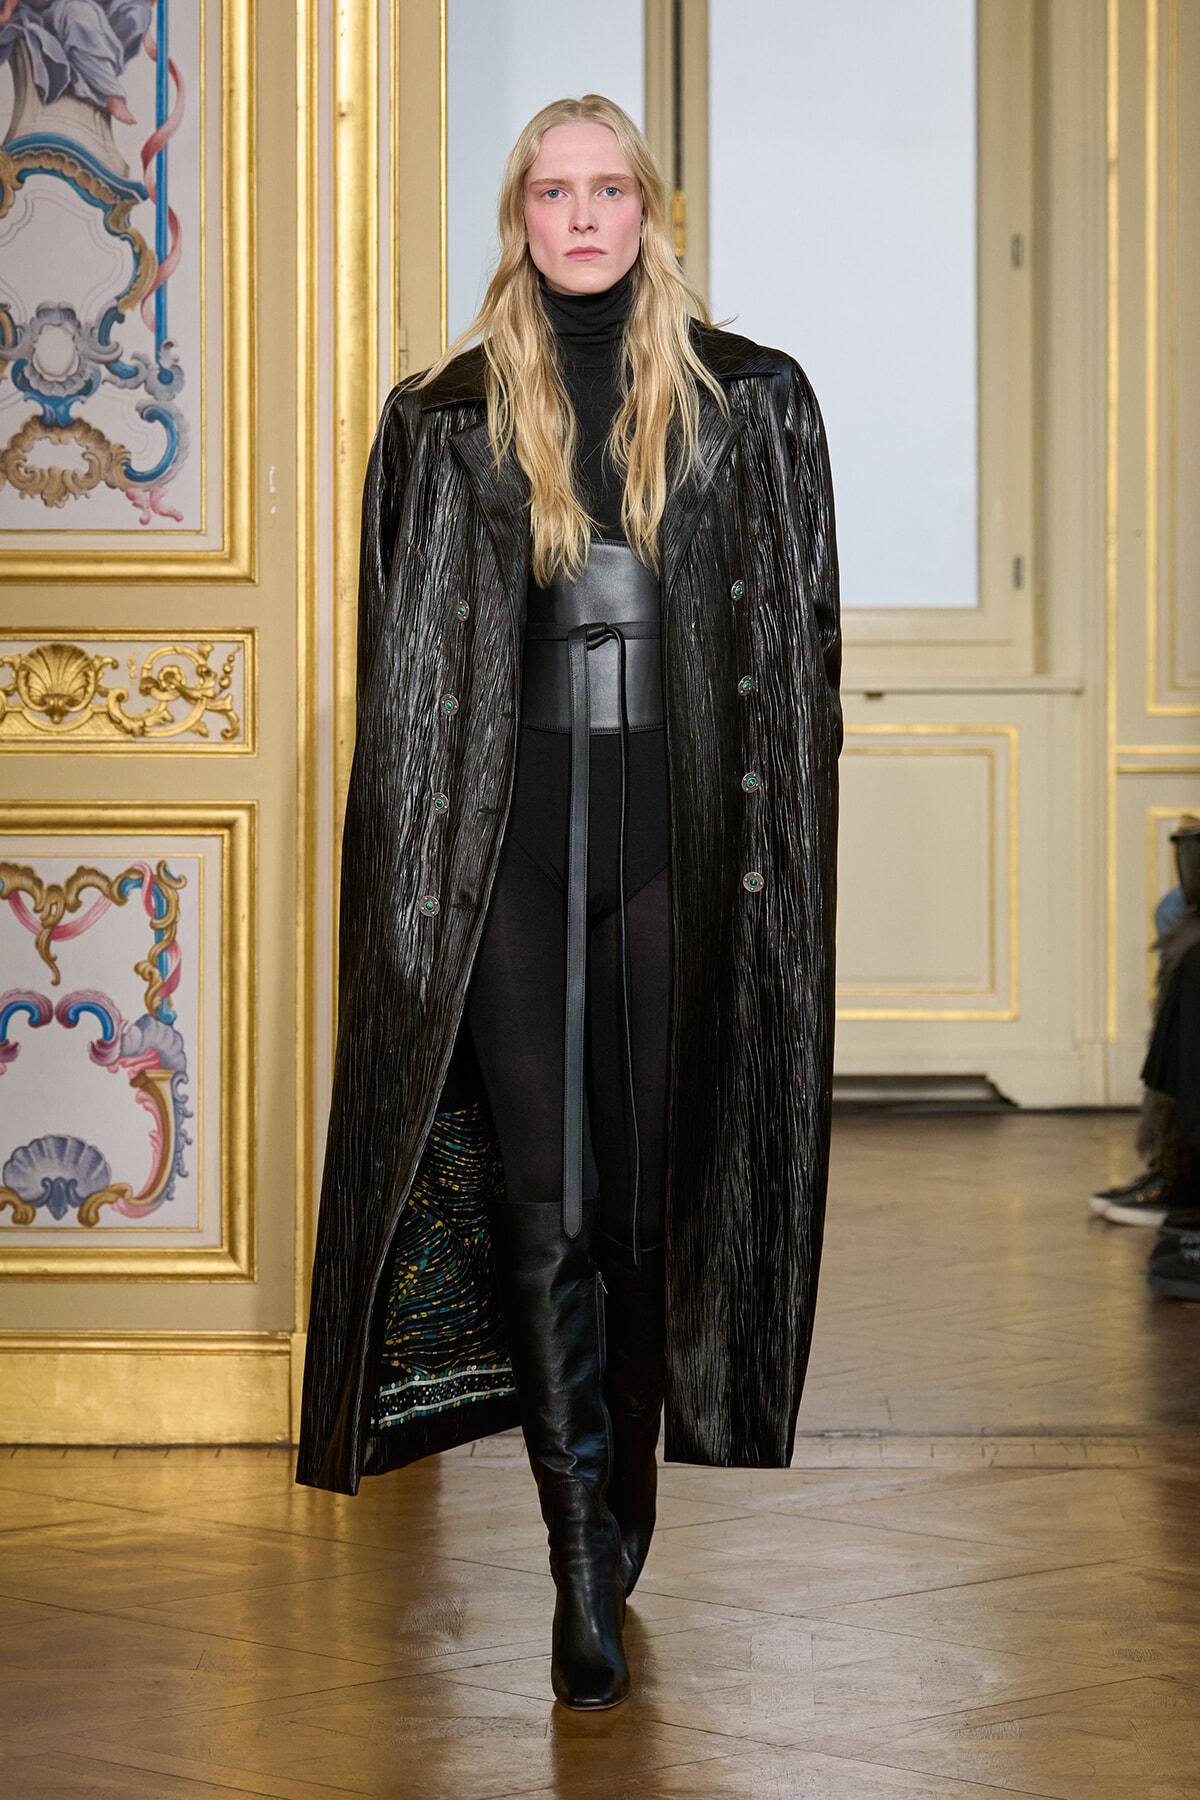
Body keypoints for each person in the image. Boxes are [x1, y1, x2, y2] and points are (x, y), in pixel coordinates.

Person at [297, 94, 841, 1711]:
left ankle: (627, 1487)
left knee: (648, 1203)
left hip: (681, 845)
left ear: (650, 209)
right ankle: (576, 1560)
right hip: (509, 855)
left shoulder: (754, 402)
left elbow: (803, 655)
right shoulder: (444, 417)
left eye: (610, 189)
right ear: (520, 215)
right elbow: (403, 679)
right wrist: (414, 893)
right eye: (554, 191)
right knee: (545, 1200)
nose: (584, 217)